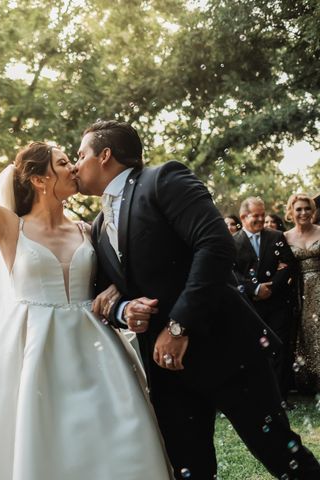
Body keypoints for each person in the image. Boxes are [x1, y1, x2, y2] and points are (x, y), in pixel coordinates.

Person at [0, 89, 172, 479]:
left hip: (94, 348)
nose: (75, 168)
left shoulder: (86, 229)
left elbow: (115, 275)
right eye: (65, 163)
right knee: (40, 440)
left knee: (113, 439)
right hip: (33, 349)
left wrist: (116, 293)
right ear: (42, 179)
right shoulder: (10, 229)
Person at [73, 119, 320, 479]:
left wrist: (179, 325)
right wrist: (125, 309)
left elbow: (216, 245)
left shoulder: (162, 181)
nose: (76, 164)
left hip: (225, 348)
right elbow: (106, 293)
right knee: (190, 467)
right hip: (167, 371)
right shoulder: (96, 227)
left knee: (281, 453)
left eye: (81, 155)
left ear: (105, 155)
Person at [233, 197, 296, 398]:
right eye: (256, 216)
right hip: (251, 306)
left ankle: (280, 397)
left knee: (279, 346)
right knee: (255, 350)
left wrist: (272, 287)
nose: (261, 219)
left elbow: (288, 264)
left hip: (277, 303)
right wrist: (256, 289)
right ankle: (260, 395)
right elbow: (232, 273)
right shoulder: (232, 243)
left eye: (263, 214)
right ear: (243, 217)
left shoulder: (276, 236)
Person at [284, 193, 320, 393]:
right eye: (298, 209)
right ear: (291, 211)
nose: (303, 213)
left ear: (313, 211)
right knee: (304, 331)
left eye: (307, 208)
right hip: (298, 290)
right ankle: (307, 381)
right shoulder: (285, 237)